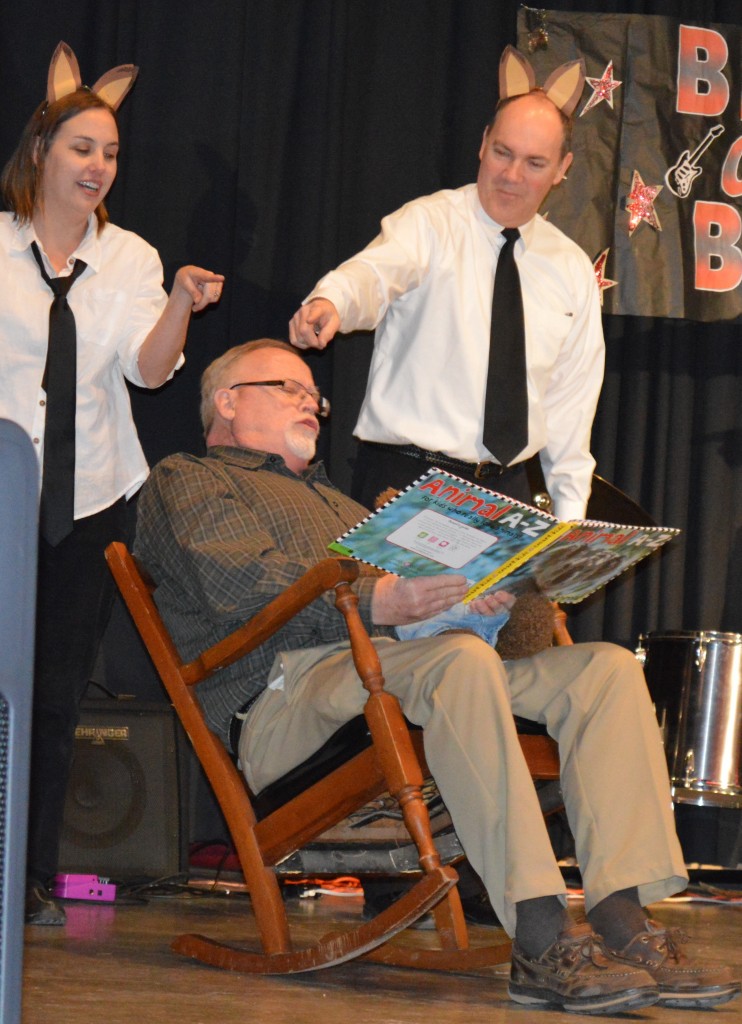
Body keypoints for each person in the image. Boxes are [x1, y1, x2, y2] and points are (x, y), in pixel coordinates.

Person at [135, 338, 738, 1015]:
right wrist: (377, 598)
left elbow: (410, 622)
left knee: (604, 672)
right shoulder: (188, 478)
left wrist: (485, 592)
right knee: (458, 662)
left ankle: (623, 919)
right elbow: (238, 583)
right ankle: (539, 932)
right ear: (226, 400)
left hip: (405, 672)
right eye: (290, 388)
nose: (313, 403)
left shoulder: (340, 504)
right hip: (287, 695)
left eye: (315, 395)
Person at [0, 42, 224, 925]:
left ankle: (31, 878)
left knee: (56, 696)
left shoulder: (130, 257)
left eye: (111, 153)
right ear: (42, 151)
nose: (98, 165)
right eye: (82, 147)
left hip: (89, 502)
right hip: (6, 498)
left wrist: (176, 302)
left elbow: (149, 370)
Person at [289, 47, 602, 519]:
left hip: (508, 493)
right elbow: (374, 274)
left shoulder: (572, 269)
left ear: (562, 169)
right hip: (407, 483)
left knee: (511, 599)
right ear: (482, 144)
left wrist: (570, 519)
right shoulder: (429, 223)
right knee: (395, 597)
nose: (512, 176)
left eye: (535, 163)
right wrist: (331, 301)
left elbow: (572, 407)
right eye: (502, 153)